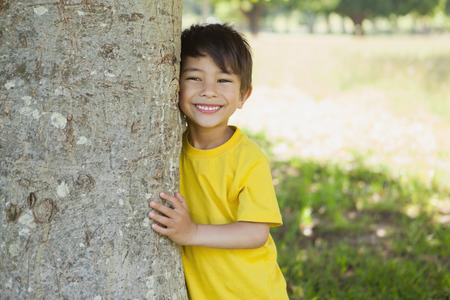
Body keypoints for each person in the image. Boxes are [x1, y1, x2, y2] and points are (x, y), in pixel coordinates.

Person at [148, 23, 288, 299]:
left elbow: (255, 233)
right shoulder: (167, 150)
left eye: (223, 80)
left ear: (243, 95)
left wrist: (191, 233)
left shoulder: (249, 159)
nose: (208, 91)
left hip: (252, 292)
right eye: (194, 78)